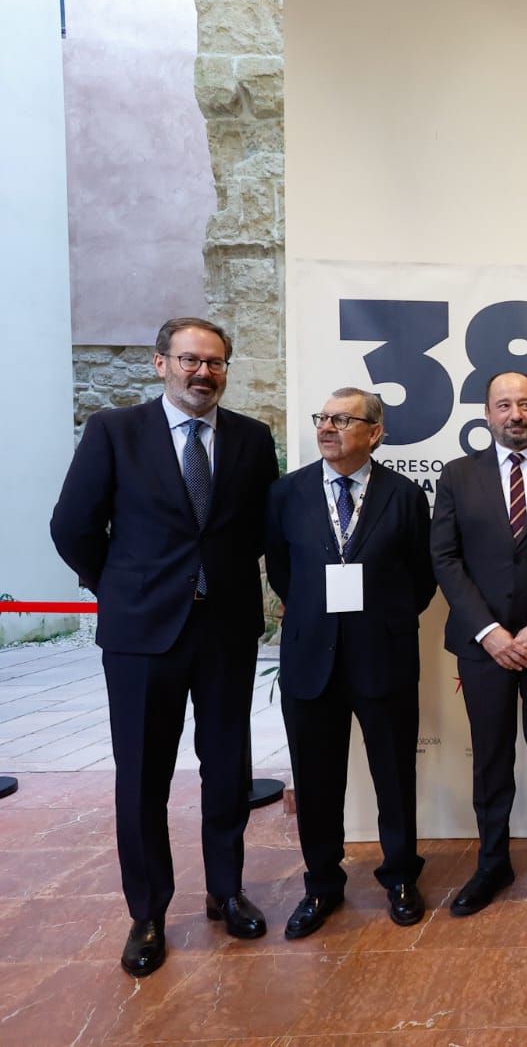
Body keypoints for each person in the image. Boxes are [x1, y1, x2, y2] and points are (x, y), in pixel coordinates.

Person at [50, 317, 279, 976]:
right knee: (143, 774)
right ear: (160, 364)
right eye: (188, 359)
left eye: (214, 362)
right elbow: (73, 526)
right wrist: (119, 586)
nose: (201, 372)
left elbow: (256, 531)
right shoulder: (114, 432)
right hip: (141, 635)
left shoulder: (251, 439)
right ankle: (147, 911)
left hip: (226, 631)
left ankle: (226, 890)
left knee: (229, 768)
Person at [265, 388, 436, 937]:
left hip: (382, 657)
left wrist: (379, 619)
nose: (328, 427)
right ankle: (321, 885)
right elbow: (281, 571)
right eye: (323, 418)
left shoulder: (405, 496)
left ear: (375, 432)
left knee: (394, 774)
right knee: (316, 780)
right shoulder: (287, 493)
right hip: (311, 659)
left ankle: (402, 876)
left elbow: (421, 578)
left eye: (343, 419)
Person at [431, 371, 527, 916]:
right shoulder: (457, 476)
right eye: (504, 405)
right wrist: (490, 632)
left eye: (525, 404)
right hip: (483, 647)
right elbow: (445, 559)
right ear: (486, 413)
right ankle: (492, 862)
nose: (515, 415)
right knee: (492, 757)